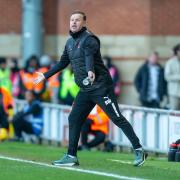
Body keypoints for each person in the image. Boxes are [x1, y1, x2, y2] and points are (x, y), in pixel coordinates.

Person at [34, 11, 147, 167]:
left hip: (101, 87)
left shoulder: (90, 39)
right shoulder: (69, 43)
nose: (73, 22)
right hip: (86, 89)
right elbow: (62, 63)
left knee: (116, 118)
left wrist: (90, 71)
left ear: (84, 23)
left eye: (77, 20)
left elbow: (89, 57)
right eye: (71, 20)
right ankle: (71, 156)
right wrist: (45, 76)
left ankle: (139, 149)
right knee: (74, 118)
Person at [165, 44, 180, 110]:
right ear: (177, 51)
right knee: (174, 113)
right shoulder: (170, 62)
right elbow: (167, 77)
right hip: (174, 92)